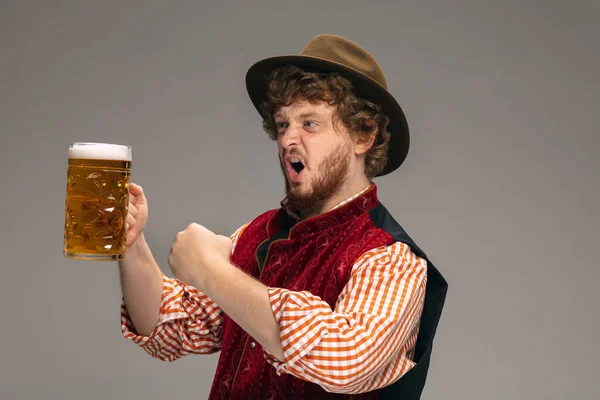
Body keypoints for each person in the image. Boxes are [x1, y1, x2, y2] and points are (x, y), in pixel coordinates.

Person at [119, 34, 448, 400]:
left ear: (364, 135)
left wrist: (212, 271)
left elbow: (345, 359)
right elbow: (170, 332)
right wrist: (131, 246)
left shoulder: (391, 260)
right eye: (282, 125)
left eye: (309, 124)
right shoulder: (256, 236)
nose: (289, 139)